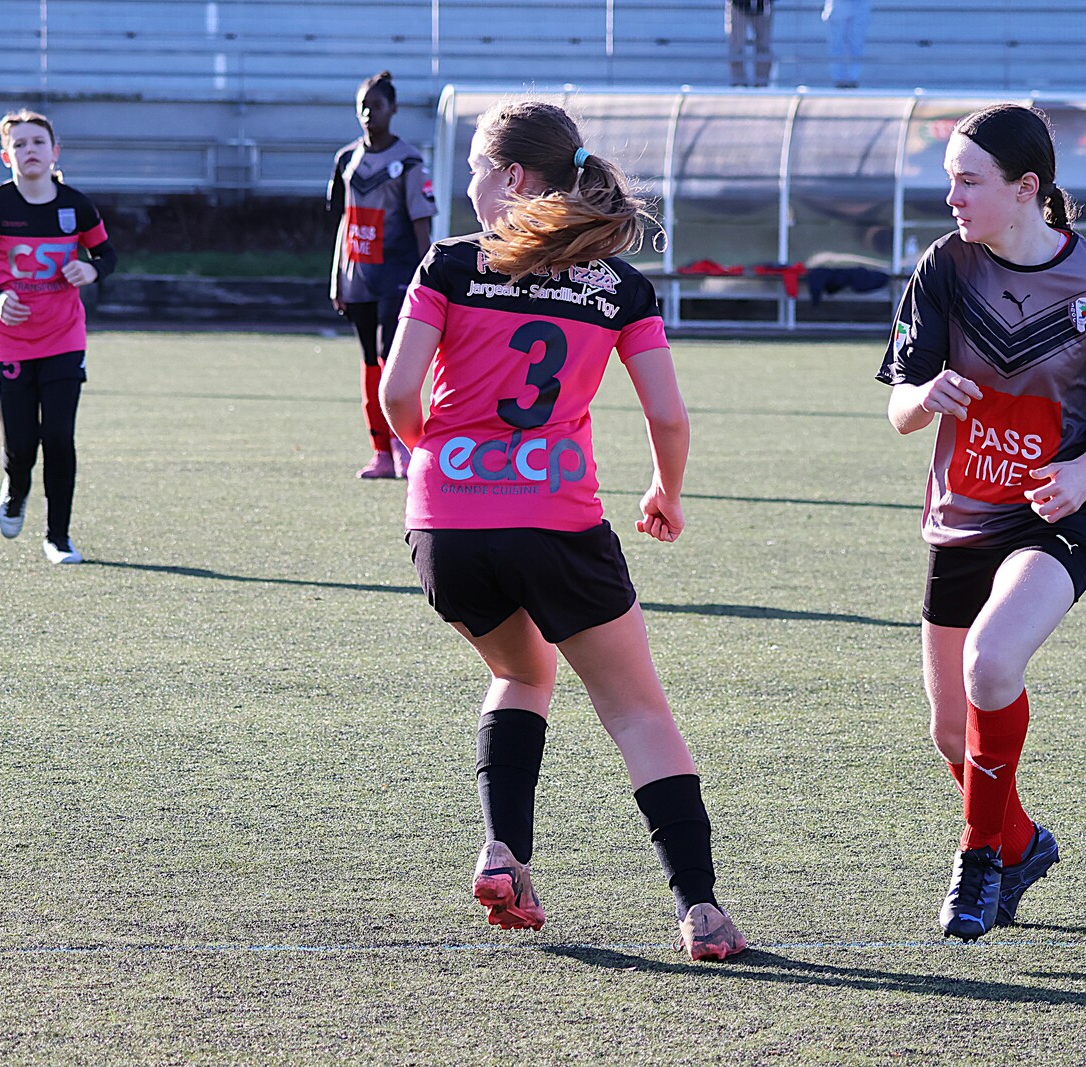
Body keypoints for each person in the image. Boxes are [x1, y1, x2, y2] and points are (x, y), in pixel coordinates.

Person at [379, 99, 748, 962]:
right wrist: (665, 489)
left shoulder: (450, 264)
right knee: (637, 711)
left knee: (519, 672)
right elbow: (669, 414)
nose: (469, 184)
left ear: (512, 176)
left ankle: (503, 853)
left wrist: (444, 463)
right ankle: (700, 910)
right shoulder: (619, 285)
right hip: (557, 521)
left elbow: (397, 395)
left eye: (477, 168)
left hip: (447, 526)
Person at [875, 104, 1086, 940]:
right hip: (962, 511)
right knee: (950, 734)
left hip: (1057, 512)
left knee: (992, 660)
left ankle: (978, 860)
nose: (952, 198)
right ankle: (1022, 842)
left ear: (1027, 188)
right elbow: (899, 407)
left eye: (969, 181)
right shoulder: (944, 266)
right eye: (950, 180)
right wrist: (925, 396)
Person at [0, 110, 117, 565]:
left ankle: (58, 538)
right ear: (6, 156)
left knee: (59, 438)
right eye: (20, 144)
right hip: (10, 341)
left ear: (54, 152)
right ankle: (16, 487)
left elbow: (106, 254)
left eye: (38, 142)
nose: (30, 150)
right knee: (22, 445)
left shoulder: (77, 206)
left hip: (64, 336)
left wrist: (92, 270)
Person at [327, 70, 437, 479]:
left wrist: (428, 278)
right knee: (368, 364)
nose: (368, 113)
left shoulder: (409, 161)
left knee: (391, 359)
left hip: (398, 274)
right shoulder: (346, 159)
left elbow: (421, 222)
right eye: (363, 106)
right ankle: (380, 453)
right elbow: (344, 221)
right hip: (358, 275)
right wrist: (337, 278)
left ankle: (405, 447)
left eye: (376, 105)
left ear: (394, 109)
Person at [822, 0, 871, 88]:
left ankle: (853, 79)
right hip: (839, 4)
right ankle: (839, 79)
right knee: (837, 43)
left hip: (859, 4)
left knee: (857, 42)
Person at [726, 0, 774, 87]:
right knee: (736, 46)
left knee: (763, 46)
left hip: (763, 7)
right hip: (738, 6)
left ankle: (761, 84)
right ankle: (738, 83)